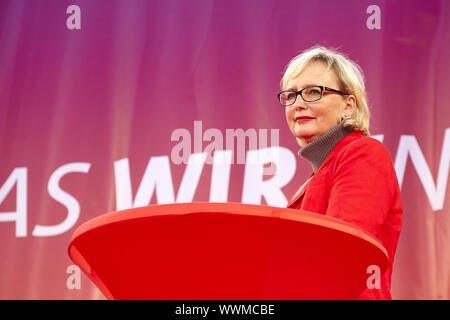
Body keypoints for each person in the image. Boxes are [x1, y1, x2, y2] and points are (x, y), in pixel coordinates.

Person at [278, 46, 402, 300]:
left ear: (348, 105)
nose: (298, 103)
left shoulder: (364, 153)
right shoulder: (313, 180)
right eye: (290, 95)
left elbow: (342, 248)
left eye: (313, 92)